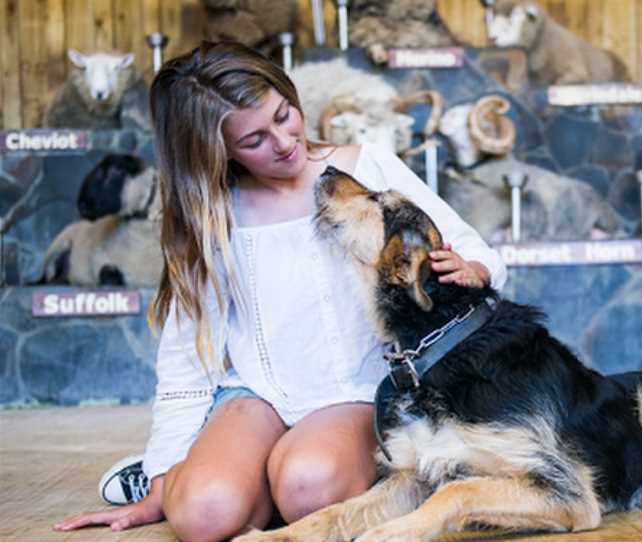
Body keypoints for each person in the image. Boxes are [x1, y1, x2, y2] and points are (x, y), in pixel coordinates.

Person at [53, 41, 506, 541]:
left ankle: (270, 468)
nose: (285, 142)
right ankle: (205, 464)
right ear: (218, 150)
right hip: (257, 393)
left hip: (353, 388)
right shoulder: (214, 212)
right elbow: (186, 353)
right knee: (201, 517)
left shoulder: (365, 166)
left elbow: (467, 244)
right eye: (254, 140)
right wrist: (163, 475)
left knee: (307, 490)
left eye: (284, 115)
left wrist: (475, 267)